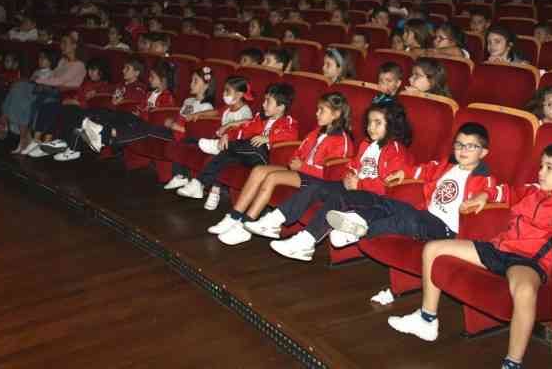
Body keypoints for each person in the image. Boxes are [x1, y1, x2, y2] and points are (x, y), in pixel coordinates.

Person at [387, 143, 552, 369]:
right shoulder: (531, 190)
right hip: (498, 249)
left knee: (525, 291)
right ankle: (427, 319)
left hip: (527, 261)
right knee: (433, 249)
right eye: (541, 166)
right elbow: (504, 191)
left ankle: (512, 362)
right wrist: (484, 197)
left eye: (549, 168)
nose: (540, 172)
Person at [243, 101, 413, 261]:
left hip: (373, 198)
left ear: (392, 126)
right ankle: (275, 220)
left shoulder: (396, 151)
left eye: (377, 123)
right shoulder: (366, 145)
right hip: (354, 188)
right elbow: (353, 165)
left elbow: (388, 186)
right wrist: (349, 175)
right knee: (315, 186)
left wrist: (358, 185)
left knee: (338, 198)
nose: (370, 127)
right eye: (369, 122)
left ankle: (306, 241)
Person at [325, 122, 502, 250]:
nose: (463, 150)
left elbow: (496, 190)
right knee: (387, 203)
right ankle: (356, 220)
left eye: (471, 146)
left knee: (408, 221)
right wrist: (405, 173)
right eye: (459, 144)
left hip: (445, 229)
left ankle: (360, 231)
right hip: (425, 213)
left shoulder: (483, 177)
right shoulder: (445, 166)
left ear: (484, 152)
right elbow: (424, 170)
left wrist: (484, 195)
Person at [209, 92, 354, 244]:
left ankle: (245, 226)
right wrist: (294, 161)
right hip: (300, 171)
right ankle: (234, 216)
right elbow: (299, 150)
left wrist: (302, 167)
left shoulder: (342, 140)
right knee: (259, 170)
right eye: (317, 109)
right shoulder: (317, 131)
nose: (316, 113)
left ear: (336, 114)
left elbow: (332, 174)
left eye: (321, 110)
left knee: (273, 177)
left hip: (315, 179)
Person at [174, 83, 299, 203]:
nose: (263, 104)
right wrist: (228, 135)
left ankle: (216, 146)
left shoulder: (288, 122)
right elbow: (244, 130)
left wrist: (268, 138)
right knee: (226, 155)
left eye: (268, 102)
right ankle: (199, 184)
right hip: (246, 153)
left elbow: (291, 135)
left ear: (281, 107)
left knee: (252, 144)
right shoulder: (259, 118)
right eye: (264, 100)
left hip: (264, 157)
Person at [77, 60, 178, 153]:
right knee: (120, 114)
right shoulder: (149, 94)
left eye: (152, 77)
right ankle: (92, 125)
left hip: (151, 125)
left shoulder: (167, 96)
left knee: (138, 126)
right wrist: (140, 111)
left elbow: (159, 116)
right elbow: (141, 107)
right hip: (140, 119)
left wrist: (143, 113)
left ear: (163, 80)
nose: (149, 79)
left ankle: (102, 135)